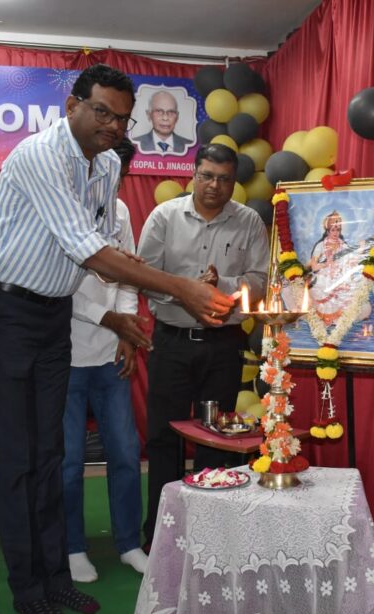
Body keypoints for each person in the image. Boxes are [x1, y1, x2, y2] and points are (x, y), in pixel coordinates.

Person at [0, 65, 232, 614]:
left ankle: (56, 577)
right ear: (72, 106)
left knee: (51, 455)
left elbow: (102, 247)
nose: (113, 126)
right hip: (11, 313)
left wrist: (137, 277)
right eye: (102, 112)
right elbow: (89, 250)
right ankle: (27, 587)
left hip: (54, 317)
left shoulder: (107, 164)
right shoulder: (41, 155)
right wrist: (178, 287)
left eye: (121, 118)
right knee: (19, 460)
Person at [137, 143, 269, 546]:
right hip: (172, 343)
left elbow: (261, 281)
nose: (214, 185)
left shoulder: (248, 221)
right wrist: (189, 292)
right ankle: (160, 537)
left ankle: (210, 536)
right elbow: (144, 276)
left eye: (224, 179)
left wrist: (221, 286)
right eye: (207, 176)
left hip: (223, 346)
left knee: (217, 440)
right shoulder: (165, 216)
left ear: (234, 182)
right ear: (193, 174)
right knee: (164, 439)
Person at [62, 138, 150, 583]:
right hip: (65, 356)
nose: (111, 181)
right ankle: (73, 547)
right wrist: (109, 319)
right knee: (68, 460)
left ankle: (128, 543)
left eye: (120, 175)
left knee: (125, 451)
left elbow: (129, 277)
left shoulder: (119, 211)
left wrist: (127, 332)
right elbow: (62, 287)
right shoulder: (62, 208)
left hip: (111, 353)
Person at [307, 210, 374, 326]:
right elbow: (314, 267)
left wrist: (367, 244)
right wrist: (327, 264)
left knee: (361, 304)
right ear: (327, 230)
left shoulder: (343, 245)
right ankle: (329, 318)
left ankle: (340, 318)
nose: (336, 233)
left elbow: (353, 261)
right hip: (324, 282)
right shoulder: (320, 246)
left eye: (338, 230)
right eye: (333, 230)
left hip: (340, 280)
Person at [132, 90, 192, 155]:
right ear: (149, 115)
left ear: (177, 116)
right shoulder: (134, 144)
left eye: (171, 112)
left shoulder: (191, 146)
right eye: (159, 111)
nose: (165, 118)